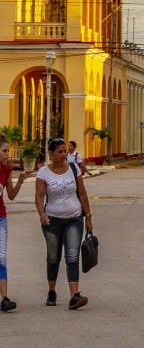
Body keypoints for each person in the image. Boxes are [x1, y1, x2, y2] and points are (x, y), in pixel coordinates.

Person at [35, 137, 93, 310]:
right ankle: (52, 291)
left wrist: (88, 216)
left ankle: (74, 295)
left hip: (74, 218)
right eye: (59, 152)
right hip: (51, 220)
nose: (63, 154)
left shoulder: (74, 168)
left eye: (65, 151)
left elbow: (82, 193)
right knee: (53, 258)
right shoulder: (44, 172)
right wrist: (41, 214)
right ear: (51, 154)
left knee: (72, 256)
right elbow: (39, 196)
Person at [0, 134, 34, 312]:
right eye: (5, 150)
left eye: (8, 151)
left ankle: (4, 298)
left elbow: (11, 196)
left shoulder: (6, 170)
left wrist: (20, 181)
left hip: (1, 219)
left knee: (1, 258)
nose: (8, 154)